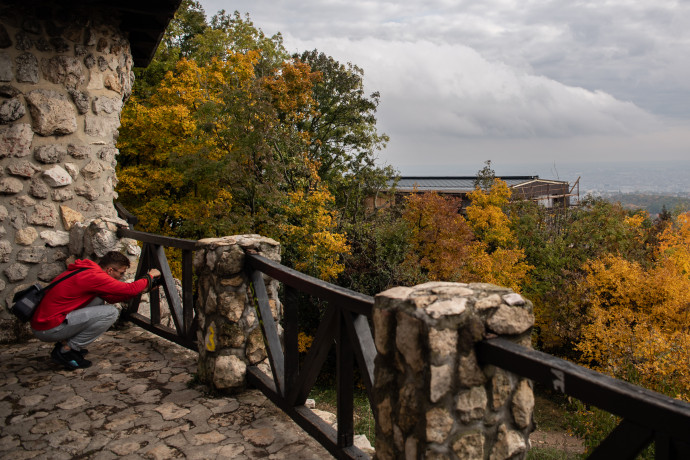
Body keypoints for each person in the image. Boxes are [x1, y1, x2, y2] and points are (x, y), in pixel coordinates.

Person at [30, 251, 161, 371]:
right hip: (48, 328)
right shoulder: (95, 277)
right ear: (109, 270)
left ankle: (66, 343)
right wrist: (149, 276)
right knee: (111, 313)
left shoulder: (88, 269)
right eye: (121, 273)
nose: (121, 277)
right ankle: (67, 349)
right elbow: (129, 289)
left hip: (45, 322)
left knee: (98, 299)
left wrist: (144, 289)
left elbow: (111, 298)